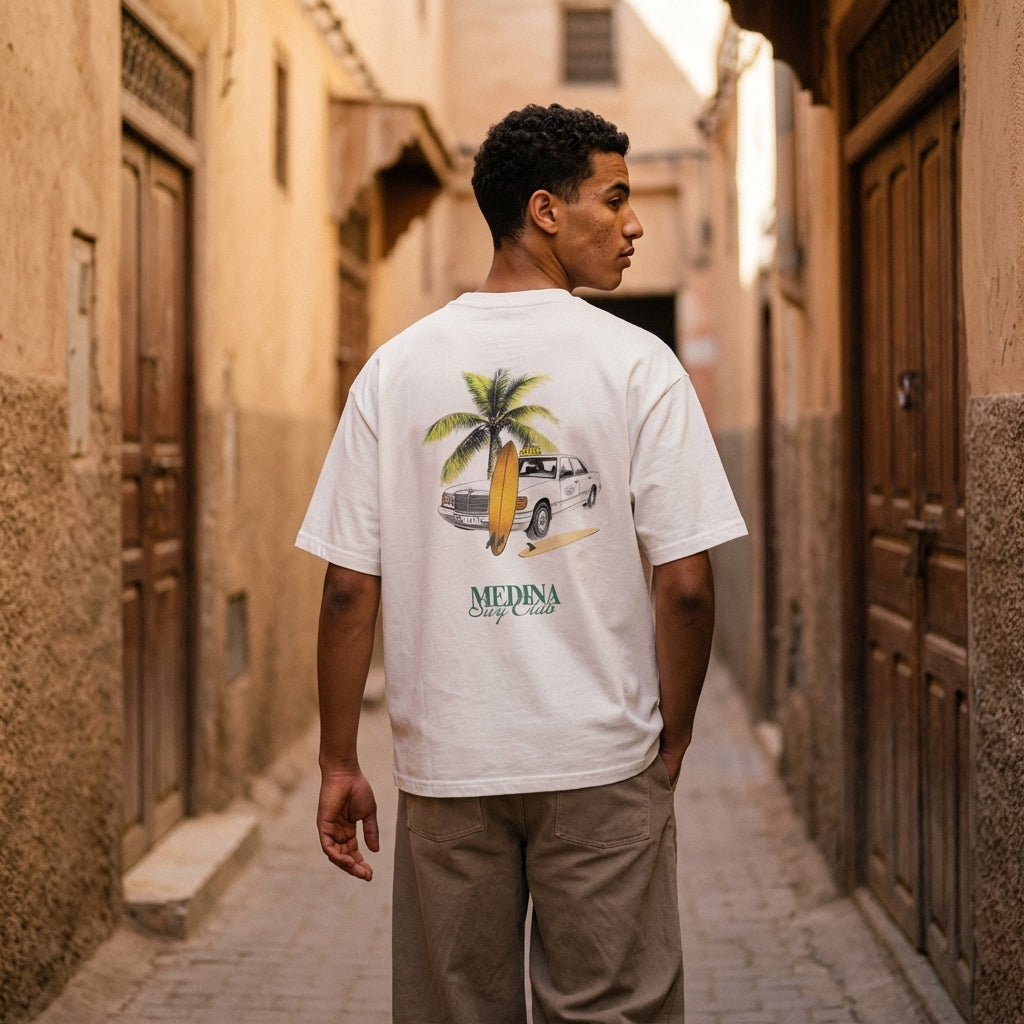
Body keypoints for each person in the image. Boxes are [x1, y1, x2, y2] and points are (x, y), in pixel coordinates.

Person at [296, 103, 747, 1023]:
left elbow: (348, 589)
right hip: (602, 764)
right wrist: (673, 737)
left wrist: (339, 759)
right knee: (613, 1008)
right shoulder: (640, 366)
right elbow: (688, 590)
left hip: (448, 767)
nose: (634, 224)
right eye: (614, 199)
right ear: (545, 209)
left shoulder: (394, 368)